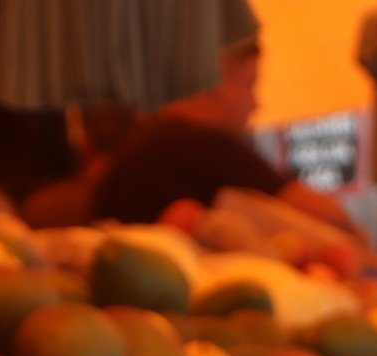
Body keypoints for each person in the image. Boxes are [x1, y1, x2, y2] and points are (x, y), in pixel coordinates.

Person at [87, 37, 358, 235]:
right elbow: (325, 214)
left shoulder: (139, 144)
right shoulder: (197, 145)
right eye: (249, 84)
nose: (256, 104)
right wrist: (361, 237)